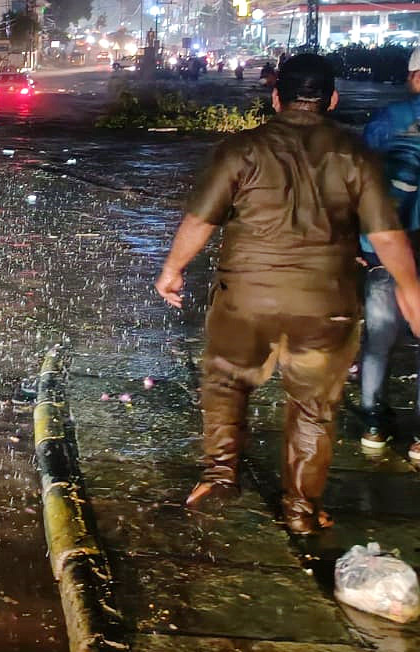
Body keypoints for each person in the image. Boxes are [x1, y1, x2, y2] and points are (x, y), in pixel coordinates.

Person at [154, 53, 420, 535]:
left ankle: (218, 478)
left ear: (275, 97)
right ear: (333, 99)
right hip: (326, 305)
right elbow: (386, 235)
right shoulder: (356, 154)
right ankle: (300, 510)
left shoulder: (242, 149)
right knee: (314, 408)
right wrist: (411, 288)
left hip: (246, 299)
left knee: (226, 382)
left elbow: (201, 220)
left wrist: (173, 270)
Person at [357, 48, 420, 463]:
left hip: (384, 247)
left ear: (413, 77)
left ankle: (374, 426)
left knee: (378, 341)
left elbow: (359, 184)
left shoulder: (385, 120)